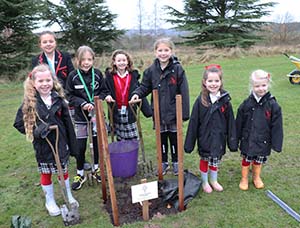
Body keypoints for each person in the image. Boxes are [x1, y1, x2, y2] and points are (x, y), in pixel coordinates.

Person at [13, 64, 79, 216]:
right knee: (46, 172)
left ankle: (68, 195)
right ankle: (50, 201)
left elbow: (68, 124)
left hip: (60, 142)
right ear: (34, 83)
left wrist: (73, 145)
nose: (45, 84)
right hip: (43, 145)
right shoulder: (30, 102)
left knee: (63, 171)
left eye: (48, 80)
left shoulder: (58, 99)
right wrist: (36, 131)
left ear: (53, 81)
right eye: (40, 81)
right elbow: (18, 123)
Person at [130, 38, 190, 176]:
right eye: (160, 50)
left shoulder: (178, 69)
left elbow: (184, 92)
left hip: (174, 111)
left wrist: (184, 113)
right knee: (161, 138)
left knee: (174, 138)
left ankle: (176, 163)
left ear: (171, 51)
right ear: (155, 52)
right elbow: (144, 87)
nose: (163, 53)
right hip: (159, 112)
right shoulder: (151, 71)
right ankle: (163, 163)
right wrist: (136, 94)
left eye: (166, 50)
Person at [184, 64, 237, 193]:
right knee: (205, 160)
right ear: (204, 82)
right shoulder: (201, 101)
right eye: (210, 81)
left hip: (219, 138)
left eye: (216, 81)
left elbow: (231, 123)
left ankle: (214, 180)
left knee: (215, 161)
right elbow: (194, 123)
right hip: (205, 138)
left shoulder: (225, 101)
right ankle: (205, 181)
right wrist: (189, 144)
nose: (213, 84)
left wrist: (232, 142)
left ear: (221, 82)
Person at [65, 45, 105, 190]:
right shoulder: (73, 76)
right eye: (83, 60)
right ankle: (80, 173)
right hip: (80, 117)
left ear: (93, 60)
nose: (86, 62)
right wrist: (82, 103)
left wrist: (96, 100)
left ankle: (96, 169)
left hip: (96, 116)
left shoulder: (99, 74)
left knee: (96, 143)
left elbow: (104, 91)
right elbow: (69, 95)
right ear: (78, 60)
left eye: (89, 59)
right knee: (80, 146)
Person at [236, 69, 283, 191]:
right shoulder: (246, 104)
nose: (261, 88)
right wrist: (235, 139)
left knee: (258, 159)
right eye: (257, 86)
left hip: (263, 140)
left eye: (263, 85)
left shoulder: (273, 105)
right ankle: (244, 178)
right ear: (252, 86)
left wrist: (277, 144)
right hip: (248, 138)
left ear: (268, 84)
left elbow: (277, 126)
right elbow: (239, 122)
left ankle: (256, 177)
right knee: (246, 159)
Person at [104, 49, 152, 141]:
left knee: (132, 136)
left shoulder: (133, 76)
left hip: (130, 109)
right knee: (120, 136)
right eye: (119, 61)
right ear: (114, 62)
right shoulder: (109, 77)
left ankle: (132, 153)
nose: (121, 63)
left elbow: (139, 92)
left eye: (124, 60)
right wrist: (107, 96)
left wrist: (148, 111)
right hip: (115, 109)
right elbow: (105, 90)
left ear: (128, 62)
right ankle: (122, 153)